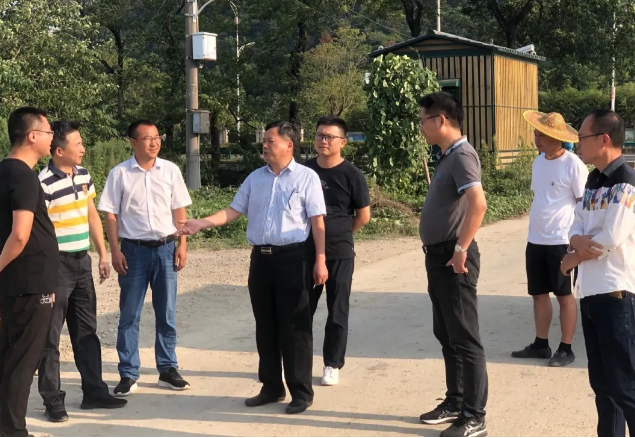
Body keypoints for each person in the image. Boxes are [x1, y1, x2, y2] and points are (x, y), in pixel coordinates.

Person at [177, 120, 327, 415]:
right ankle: (271, 387)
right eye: (265, 140)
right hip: (261, 260)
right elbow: (232, 211)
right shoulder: (255, 178)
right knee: (265, 325)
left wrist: (320, 260)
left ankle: (301, 391)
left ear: (289, 145)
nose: (265, 145)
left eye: (271, 140)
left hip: (293, 258)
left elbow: (317, 221)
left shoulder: (306, 178)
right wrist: (200, 223)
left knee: (294, 326)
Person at [38, 121, 127, 422]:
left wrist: (102, 254)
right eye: (78, 144)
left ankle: (94, 392)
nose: (83, 148)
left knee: (87, 331)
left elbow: (91, 215)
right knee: (50, 337)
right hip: (56, 266)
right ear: (59, 150)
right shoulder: (43, 183)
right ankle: (53, 400)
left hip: (81, 263)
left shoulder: (84, 175)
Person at [98, 120, 192, 396]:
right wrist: (115, 250)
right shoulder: (120, 174)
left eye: (157, 137)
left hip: (165, 248)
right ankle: (128, 373)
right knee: (129, 314)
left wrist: (182, 245)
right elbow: (110, 214)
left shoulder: (170, 170)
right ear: (133, 142)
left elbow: (179, 210)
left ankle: (167, 368)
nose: (154, 142)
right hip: (133, 251)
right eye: (147, 138)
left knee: (167, 312)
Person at [417, 92, 488, 438]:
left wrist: (461, 247)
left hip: (453, 257)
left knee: (465, 338)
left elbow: (479, 203)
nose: (421, 127)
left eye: (423, 120)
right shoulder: (446, 156)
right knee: (446, 334)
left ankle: (474, 415)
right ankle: (456, 401)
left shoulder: (462, 155)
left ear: (441, 120)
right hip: (438, 256)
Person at [561, 109, 635, 437]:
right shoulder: (593, 180)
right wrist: (577, 242)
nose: (578, 143)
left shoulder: (626, 181)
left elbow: (608, 239)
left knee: (625, 386)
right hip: (590, 294)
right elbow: (574, 225)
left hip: (616, 294)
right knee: (603, 386)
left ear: (604, 139)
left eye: (582, 137)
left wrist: (571, 260)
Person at [0, 107, 59, 437]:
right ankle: (13, 430)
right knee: (23, 360)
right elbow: (20, 234)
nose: (53, 138)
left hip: (15, 281)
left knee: (10, 355)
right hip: (29, 282)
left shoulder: (4, 170)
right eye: (49, 132)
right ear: (33, 135)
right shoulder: (23, 175)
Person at [511, 111, 587, 367]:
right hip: (536, 240)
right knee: (539, 293)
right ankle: (541, 344)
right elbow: (541, 196)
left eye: (540, 135)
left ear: (555, 137)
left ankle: (566, 348)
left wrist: (577, 241)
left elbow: (583, 203)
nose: (536, 139)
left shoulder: (573, 164)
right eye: (535, 134)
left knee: (564, 295)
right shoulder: (538, 162)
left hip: (561, 241)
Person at [303, 116, 370, 386]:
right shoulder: (304, 171)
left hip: (340, 252)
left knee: (337, 310)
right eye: (319, 135)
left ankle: (332, 363)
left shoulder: (352, 175)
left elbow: (363, 216)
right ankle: (297, 361)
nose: (323, 140)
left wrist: (341, 234)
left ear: (343, 142)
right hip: (305, 251)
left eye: (329, 136)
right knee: (300, 309)